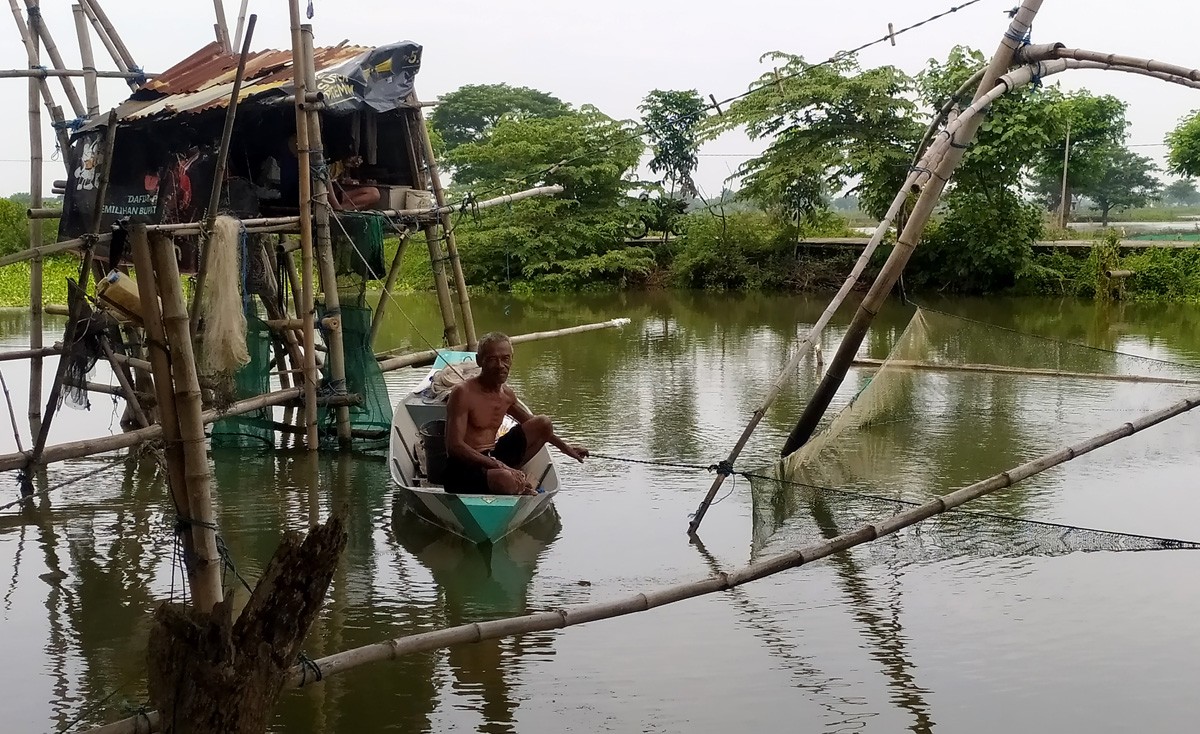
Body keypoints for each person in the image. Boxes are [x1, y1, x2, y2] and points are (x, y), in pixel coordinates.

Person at [444, 332, 588, 495]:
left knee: (543, 422)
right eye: (492, 359)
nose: (500, 365)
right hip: (463, 467)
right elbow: (454, 447)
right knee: (505, 480)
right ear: (479, 361)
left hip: (493, 456)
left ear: (512, 359)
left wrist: (565, 448)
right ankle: (510, 480)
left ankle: (510, 478)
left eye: (505, 358)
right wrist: (498, 465)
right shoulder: (462, 393)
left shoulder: (506, 395)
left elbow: (539, 428)